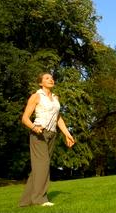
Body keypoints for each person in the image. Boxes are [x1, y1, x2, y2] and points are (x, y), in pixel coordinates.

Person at [19, 72, 75, 207]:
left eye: (51, 78)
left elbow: (58, 118)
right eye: (47, 78)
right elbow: (24, 118)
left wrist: (67, 133)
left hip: (52, 134)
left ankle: (25, 202)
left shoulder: (55, 98)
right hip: (39, 133)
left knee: (39, 168)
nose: (51, 79)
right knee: (43, 166)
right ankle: (40, 199)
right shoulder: (36, 96)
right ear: (40, 83)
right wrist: (34, 127)